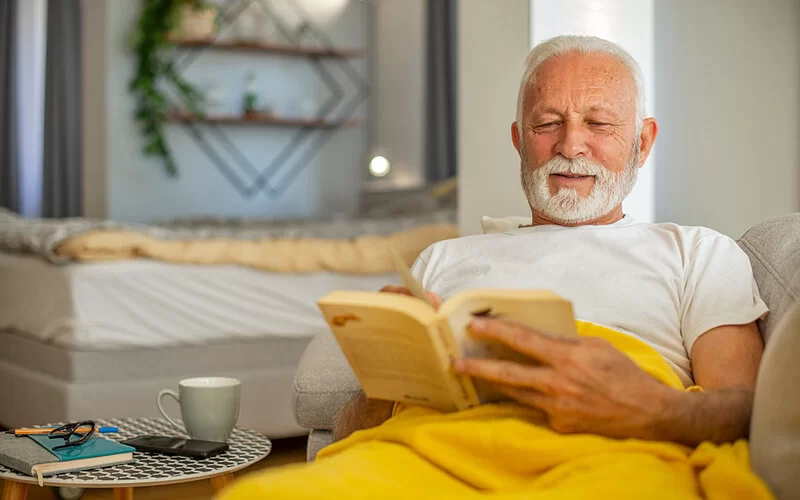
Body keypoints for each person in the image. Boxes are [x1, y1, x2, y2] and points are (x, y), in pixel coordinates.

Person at [218, 35, 772, 499]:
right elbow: (348, 428)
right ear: (518, 141)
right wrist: (387, 376)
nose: (571, 145)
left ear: (642, 142)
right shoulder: (444, 259)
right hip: (432, 452)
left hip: (611, 453)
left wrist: (649, 407)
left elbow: (746, 411)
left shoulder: (697, 250)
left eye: (600, 123)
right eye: (547, 123)